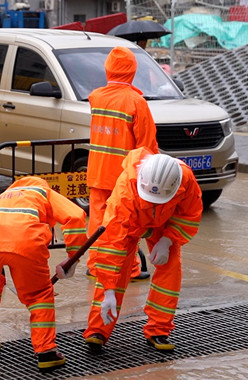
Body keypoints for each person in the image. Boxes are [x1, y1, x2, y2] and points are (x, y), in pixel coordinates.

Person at [83, 148, 202, 353]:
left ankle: (159, 330)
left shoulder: (186, 179)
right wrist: (109, 291)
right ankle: (98, 330)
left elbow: (190, 214)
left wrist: (168, 240)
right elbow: (112, 244)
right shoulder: (125, 190)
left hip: (166, 225)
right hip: (131, 223)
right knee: (116, 271)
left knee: (170, 269)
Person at [0, 176, 89, 373]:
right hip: (26, 241)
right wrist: (72, 259)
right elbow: (75, 216)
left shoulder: (4, 197)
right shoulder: (43, 192)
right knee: (39, 296)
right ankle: (46, 352)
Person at [86, 46, 159, 281]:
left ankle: (96, 265)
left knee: (98, 219)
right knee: (124, 223)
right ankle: (128, 267)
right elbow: (147, 146)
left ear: (107, 69)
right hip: (123, 176)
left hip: (97, 171)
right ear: (133, 70)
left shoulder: (96, 97)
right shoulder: (136, 103)